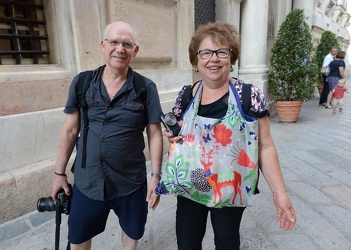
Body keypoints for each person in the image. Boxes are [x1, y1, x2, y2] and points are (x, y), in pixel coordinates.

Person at [158, 21, 296, 249]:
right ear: (196, 60)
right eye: (205, 53)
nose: (213, 59)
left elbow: (265, 147)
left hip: (230, 187)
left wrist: (280, 194)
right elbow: (176, 134)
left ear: (231, 59)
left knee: (226, 240)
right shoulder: (186, 95)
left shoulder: (249, 95)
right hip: (190, 185)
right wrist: (171, 136)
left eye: (221, 52)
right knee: (187, 241)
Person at [51, 21, 163, 250]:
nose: (120, 49)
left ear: (135, 50)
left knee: (132, 233)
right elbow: (70, 130)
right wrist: (58, 173)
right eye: (114, 42)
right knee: (78, 237)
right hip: (87, 181)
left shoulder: (145, 88)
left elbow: (154, 134)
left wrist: (156, 176)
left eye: (127, 44)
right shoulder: (82, 82)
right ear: (103, 45)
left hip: (130, 182)